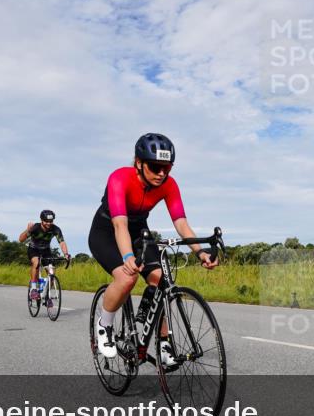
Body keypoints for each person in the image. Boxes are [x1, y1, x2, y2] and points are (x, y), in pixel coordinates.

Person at [88, 133, 218, 365]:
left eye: (167, 168)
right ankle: (104, 325)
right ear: (139, 163)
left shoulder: (169, 184)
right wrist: (127, 257)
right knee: (127, 279)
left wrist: (200, 252)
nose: (162, 174)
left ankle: (164, 343)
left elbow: (181, 224)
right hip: (107, 230)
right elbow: (120, 225)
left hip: (139, 232)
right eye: (156, 167)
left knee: (160, 281)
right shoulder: (120, 178)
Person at [18, 210, 70, 300]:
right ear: (41, 220)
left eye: (51, 221)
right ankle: (34, 289)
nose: (49, 223)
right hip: (33, 249)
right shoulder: (35, 228)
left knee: (52, 272)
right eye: (46, 221)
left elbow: (61, 242)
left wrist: (66, 254)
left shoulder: (56, 229)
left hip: (46, 251)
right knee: (36, 262)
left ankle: (46, 295)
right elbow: (21, 239)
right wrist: (28, 230)